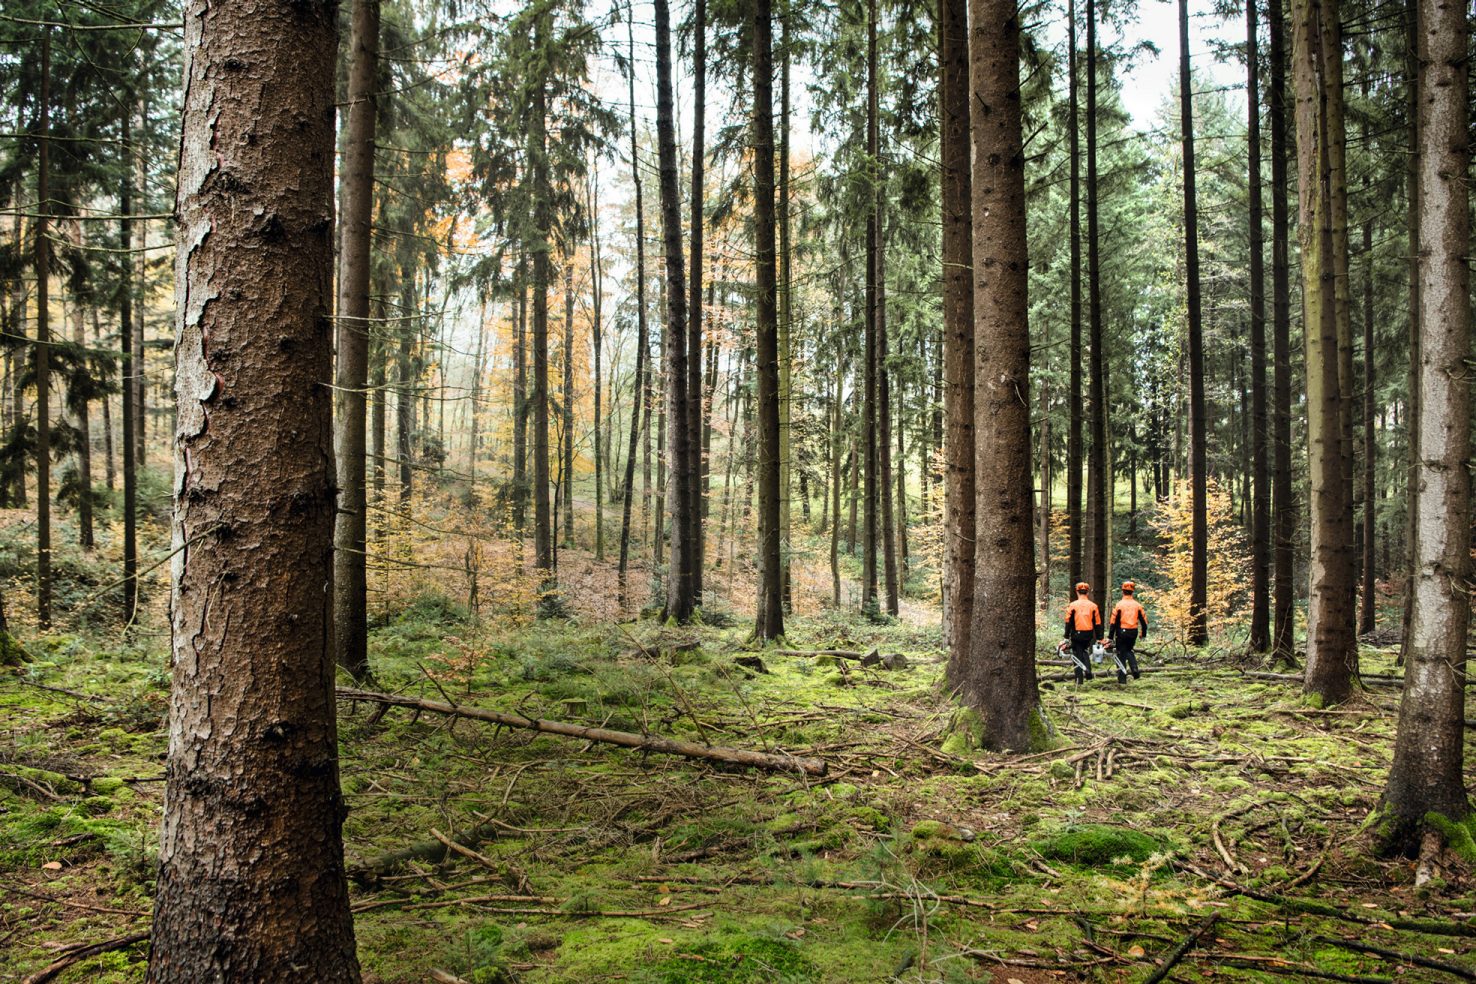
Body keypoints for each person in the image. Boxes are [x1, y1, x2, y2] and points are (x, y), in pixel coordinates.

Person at [1108, 581, 1148, 683]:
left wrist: (1110, 637)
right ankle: (1134, 668)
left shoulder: (1119, 605)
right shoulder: (1137, 605)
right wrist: (1143, 634)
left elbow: (1113, 622)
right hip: (1133, 632)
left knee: (1121, 653)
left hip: (1122, 632)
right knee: (1129, 650)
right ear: (1132, 592)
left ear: (1123, 591)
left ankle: (1122, 679)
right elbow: (1144, 622)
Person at [1063, 582, 1101, 685]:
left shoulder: (1072, 605)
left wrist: (1066, 637)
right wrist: (1099, 638)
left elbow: (1068, 622)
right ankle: (1088, 671)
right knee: (1084, 651)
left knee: (1077, 655)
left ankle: (1079, 680)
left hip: (1076, 634)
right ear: (1087, 592)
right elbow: (1097, 623)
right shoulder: (1093, 606)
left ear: (1077, 592)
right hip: (1088, 634)